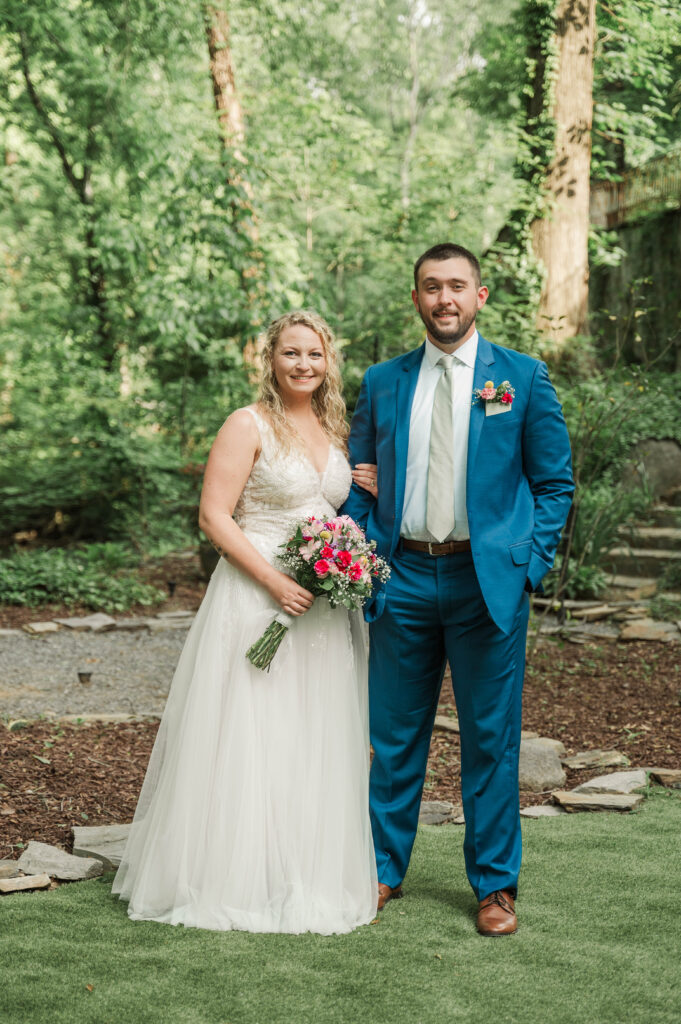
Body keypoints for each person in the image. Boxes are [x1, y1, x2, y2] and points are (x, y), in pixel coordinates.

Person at [113, 310, 378, 934]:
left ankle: (298, 875)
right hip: (256, 599)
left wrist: (365, 481)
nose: (303, 365)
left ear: (328, 361)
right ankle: (229, 879)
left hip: (316, 611)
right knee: (249, 736)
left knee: (307, 738)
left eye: (314, 354)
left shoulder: (334, 430)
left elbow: (330, 502)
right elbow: (214, 516)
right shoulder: (247, 423)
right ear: (271, 359)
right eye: (291, 354)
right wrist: (275, 581)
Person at [342, 243, 574, 936]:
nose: (443, 298)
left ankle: (495, 887)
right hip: (403, 576)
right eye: (429, 286)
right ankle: (382, 870)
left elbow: (554, 483)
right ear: (414, 298)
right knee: (393, 736)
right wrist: (357, 552)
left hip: (487, 585)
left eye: (455, 286)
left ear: (478, 296)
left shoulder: (522, 379)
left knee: (490, 741)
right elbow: (354, 477)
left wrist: (529, 564)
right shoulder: (382, 381)